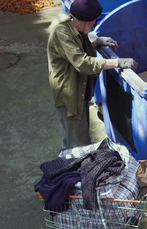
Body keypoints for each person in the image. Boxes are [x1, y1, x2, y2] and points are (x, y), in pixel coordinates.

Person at [47, 0, 138, 150]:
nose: (95, 23)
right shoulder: (61, 34)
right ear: (86, 21)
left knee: (73, 138)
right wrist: (117, 62)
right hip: (70, 95)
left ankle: (68, 167)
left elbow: (80, 44)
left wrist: (98, 42)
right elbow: (82, 63)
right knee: (79, 145)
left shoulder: (78, 30)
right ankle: (75, 171)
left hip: (80, 90)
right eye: (94, 20)